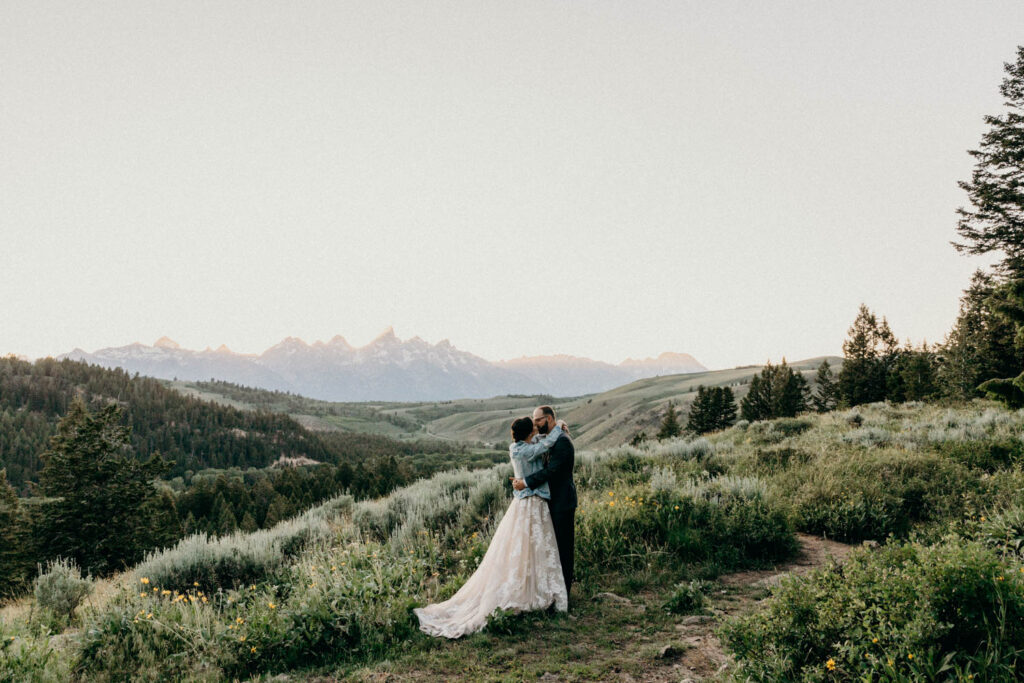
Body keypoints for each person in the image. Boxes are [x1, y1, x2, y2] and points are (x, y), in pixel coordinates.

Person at [413, 415, 570, 638]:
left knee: (529, 548)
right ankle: (532, 593)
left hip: (525, 501)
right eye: (534, 427)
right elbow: (545, 444)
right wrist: (560, 426)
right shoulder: (525, 450)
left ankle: (531, 589)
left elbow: (539, 442)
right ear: (529, 433)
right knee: (533, 547)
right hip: (532, 501)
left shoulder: (518, 446)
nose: (537, 430)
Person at [511, 405, 576, 601]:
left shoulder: (562, 442)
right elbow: (540, 447)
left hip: (562, 502)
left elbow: (552, 471)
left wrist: (525, 482)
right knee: (548, 549)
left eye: (537, 420)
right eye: (533, 421)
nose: (535, 424)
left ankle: (564, 595)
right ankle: (549, 592)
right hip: (548, 501)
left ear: (548, 419)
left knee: (563, 549)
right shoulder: (546, 439)